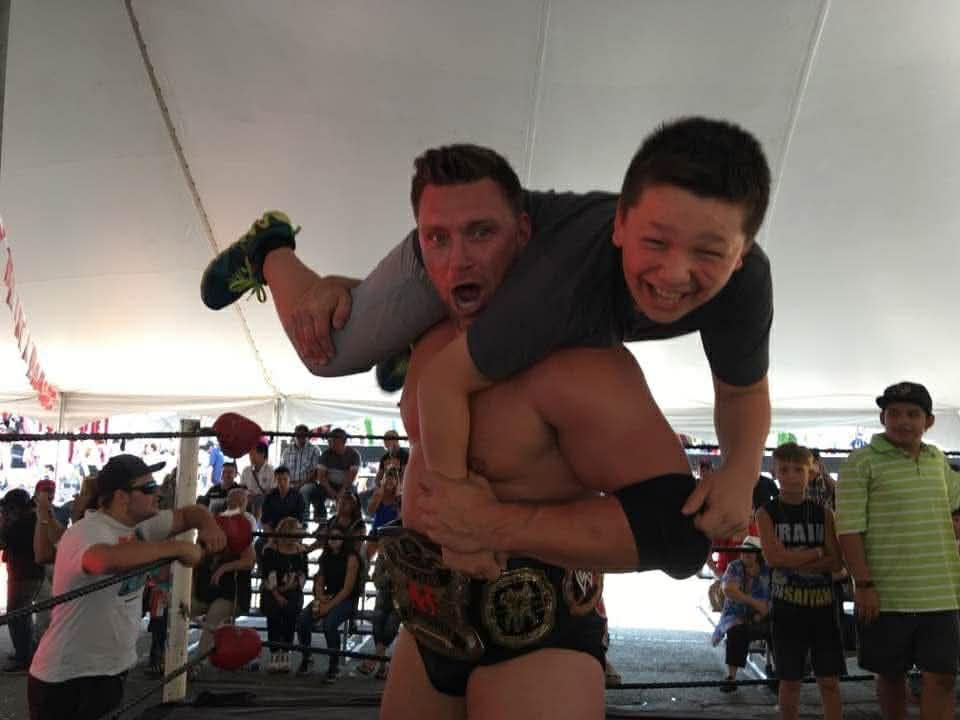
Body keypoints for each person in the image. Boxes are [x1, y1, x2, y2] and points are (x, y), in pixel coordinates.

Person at [201, 116, 773, 544]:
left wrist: (743, 468)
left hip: (523, 291)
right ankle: (270, 249)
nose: (673, 274)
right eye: (655, 242)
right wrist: (460, 518)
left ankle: (405, 328)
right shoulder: (556, 289)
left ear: (742, 253)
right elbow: (443, 384)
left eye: (708, 252)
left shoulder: (745, 287)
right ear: (621, 224)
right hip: (477, 248)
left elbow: (742, 390)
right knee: (329, 353)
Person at [353, 145, 709, 719]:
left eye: (481, 233)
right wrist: (329, 290)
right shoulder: (431, 333)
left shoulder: (580, 363)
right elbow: (343, 323)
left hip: (537, 639)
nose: (458, 260)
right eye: (437, 238)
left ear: (522, 233)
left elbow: (678, 532)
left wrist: (493, 524)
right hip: (426, 625)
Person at [27, 454, 226, 720]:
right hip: (67, 679)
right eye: (149, 488)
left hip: (109, 671)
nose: (157, 493)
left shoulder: (138, 526)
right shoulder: (87, 531)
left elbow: (190, 514)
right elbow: (101, 560)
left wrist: (208, 524)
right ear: (122, 497)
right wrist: (176, 547)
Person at [837, 382, 960, 720]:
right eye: (894, 413)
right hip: (885, 594)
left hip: (942, 593)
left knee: (943, 679)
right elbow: (848, 528)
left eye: (912, 414)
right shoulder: (860, 462)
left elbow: (954, 504)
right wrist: (863, 584)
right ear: (882, 418)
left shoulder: (937, 460)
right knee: (891, 678)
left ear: (929, 421)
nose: (903, 421)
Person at [758, 443, 845, 720]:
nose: (792, 476)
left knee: (829, 681)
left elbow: (836, 561)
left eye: (798, 469)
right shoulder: (766, 512)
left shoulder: (824, 513)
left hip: (823, 607)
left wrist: (793, 558)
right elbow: (774, 558)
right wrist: (816, 553)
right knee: (790, 682)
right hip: (787, 608)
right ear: (775, 472)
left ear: (811, 472)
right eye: (785, 470)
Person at [193, 488, 256, 669]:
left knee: (215, 613)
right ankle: (167, 655)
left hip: (230, 593)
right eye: (233, 502)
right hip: (206, 588)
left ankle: (197, 663)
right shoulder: (214, 522)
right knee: (178, 607)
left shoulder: (245, 525)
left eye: (239, 503)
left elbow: (249, 561)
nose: (235, 506)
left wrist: (224, 568)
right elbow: (198, 554)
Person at [295, 526, 361, 681]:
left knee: (329, 624)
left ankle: (334, 665)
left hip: (347, 600)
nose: (333, 540)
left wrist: (327, 607)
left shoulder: (352, 558)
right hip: (328, 596)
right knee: (302, 620)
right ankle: (307, 657)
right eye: (331, 537)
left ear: (344, 539)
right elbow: (319, 581)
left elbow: (347, 589)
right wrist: (320, 598)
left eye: (337, 536)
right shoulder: (325, 556)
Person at [710, 536, 770, 692]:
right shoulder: (735, 566)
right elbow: (729, 589)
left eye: (750, 552)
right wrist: (755, 603)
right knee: (736, 630)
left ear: (759, 555)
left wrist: (762, 612)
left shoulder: (767, 570)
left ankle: (777, 672)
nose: (745, 554)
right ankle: (731, 677)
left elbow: (774, 594)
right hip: (737, 614)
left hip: (764, 614)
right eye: (743, 551)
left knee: (779, 629)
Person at [0, 488, 45, 672]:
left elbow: (3, 541)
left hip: (25, 576)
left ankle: (24, 658)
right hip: (27, 575)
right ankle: (26, 652)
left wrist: (4, 522)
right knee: (22, 616)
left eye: (10, 508)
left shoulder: (24, 523)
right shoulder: (30, 519)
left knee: (17, 616)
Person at [261, 517, 308, 673]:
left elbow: (303, 574)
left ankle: (286, 651)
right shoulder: (270, 550)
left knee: (291, 613)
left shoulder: (301, 551)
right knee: (273, 612)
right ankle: (275, 652)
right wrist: (277, 593)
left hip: (293, 589)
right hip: (272, 590)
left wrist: (291, 586)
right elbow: (268, 574)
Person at [282, 424, 323, 493]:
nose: (300, 437)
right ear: (295, 436)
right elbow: (282, 469)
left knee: (304, 490)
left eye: (303, 435)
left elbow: (315, 473)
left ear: (307, 436)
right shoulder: (287, 451)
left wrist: (300, 484)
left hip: (308, 483)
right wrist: (286, 483)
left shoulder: (315, 450)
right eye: (298, 435)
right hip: (289, 482)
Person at [240, 443, 274, 519]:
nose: (250, 457)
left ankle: (255, 523)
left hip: (264, 503)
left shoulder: (271, 471)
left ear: (262, 454)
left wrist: (259, 496)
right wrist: (248, 493)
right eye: (249, 454)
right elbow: (242, 487)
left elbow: (272, 490)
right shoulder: (246, 470)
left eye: (252, 454)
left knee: (259, 501)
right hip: (248, 501)